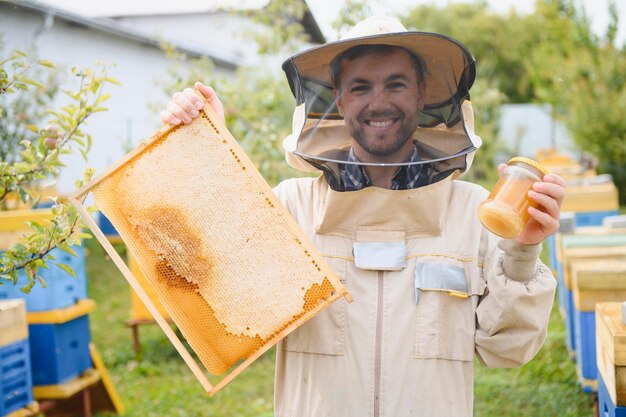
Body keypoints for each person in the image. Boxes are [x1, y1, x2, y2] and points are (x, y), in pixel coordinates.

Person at [161, 16, 564, 417]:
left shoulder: (474, 214)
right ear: (338, 97)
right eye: (360, 87)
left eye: (396, 84)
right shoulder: (291, 208)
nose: (379, 103)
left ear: (422, 92)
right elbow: (230, 308)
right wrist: (209, 152)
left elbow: (508, 349)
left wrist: (523, 251)